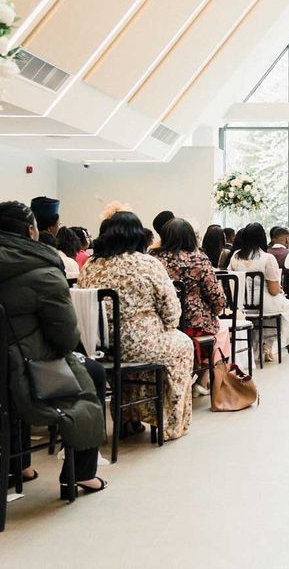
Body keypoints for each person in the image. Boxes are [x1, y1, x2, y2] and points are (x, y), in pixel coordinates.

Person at [0, 201, 107, 496]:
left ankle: (18, 464)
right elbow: (64, 336)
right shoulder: (43, 271)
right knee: (93, 371)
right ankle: (81, 473)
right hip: (29, 370)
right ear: (31, 231)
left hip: (7, 368)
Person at [79, 211, 194, 441]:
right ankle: (169, 423)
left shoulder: (91, 265)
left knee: (138, 358)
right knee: (183, 345)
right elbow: (171, 312)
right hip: (140, 344)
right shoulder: (147, 264)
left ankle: (128, 414)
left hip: (99, 345)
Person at [153, 218, 227, 394]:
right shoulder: (199, 259)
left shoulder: (153, 259)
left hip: (162, 321)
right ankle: (202, 379)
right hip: (194, 322)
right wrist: (218, 308)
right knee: (221, 330)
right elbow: (215, 294)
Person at [229, 223, 289, 358]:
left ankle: (258, 344)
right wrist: (278, 289)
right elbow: (273, 291)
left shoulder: (236, 256)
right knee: (286, 305)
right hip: (263, 302)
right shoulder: (267, 258)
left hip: (240, 303)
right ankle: (268, 344)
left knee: (275, 304)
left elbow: (231, 278)